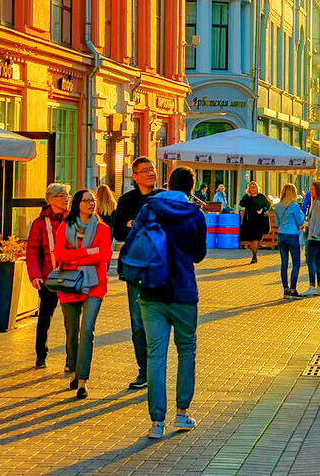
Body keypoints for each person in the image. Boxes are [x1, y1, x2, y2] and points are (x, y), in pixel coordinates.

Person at [128, 166, 206, 439]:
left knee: (155, 354)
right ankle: (182, 414)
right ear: (191, 188)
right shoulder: (195, 215)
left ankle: (156, 423)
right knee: (186, 351)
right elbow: (199, 255)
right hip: (183, 291)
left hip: (151, 290)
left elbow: (134, 241)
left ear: (168, 183)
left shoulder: (149, 209)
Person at [54, 188, 112, 400]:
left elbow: (105, 255)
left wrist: (74, 258)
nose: (91, 204)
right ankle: (75, 369)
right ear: (77, 204)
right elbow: (59, 255)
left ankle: (82, 381)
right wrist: (89, 252)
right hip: (68, 284)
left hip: (94, 285)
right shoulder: (65, 227)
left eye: (93, 200)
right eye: (87, 200)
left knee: (87, 329)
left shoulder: (103, 229)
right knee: (72, 332)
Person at [114, 157, 160, 390]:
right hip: (135, 269)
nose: (151, 173)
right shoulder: (126, 200)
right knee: (138, 322)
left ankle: (156, 367)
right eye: (145, 170)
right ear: (135, 176)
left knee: (159, 321)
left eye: (152, 169)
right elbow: (119, 230)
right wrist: (132, 224)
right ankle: (144, 370)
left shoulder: (163, 197)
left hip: (161, 268)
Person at [26, 183, 68, 369]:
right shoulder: (39, 223)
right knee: (45, 317)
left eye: (67, 195)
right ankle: (41, 355)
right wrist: (35, 275)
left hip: (71, 276)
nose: (66, 199)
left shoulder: (73, 220)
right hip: (48, 277)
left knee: (72, 319)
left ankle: (71, 358)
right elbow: (32, 251)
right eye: (62, 196)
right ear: (50, 200)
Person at [273, 184, 304, 298]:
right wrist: (303, 214)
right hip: (292, 235)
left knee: (284, 263)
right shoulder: (294, 206)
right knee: (296, 263)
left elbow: (277, 223)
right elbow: (300, 222)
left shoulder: (278, 206)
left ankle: (285, 289)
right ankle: (293, 289)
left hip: (281, 235)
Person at [303, 180, 320, 296]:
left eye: (312, 189)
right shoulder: (319, 202)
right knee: (317, 261)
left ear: (317, 190)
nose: (311, 191)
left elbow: (319, 221)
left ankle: (313, 285)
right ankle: (319, 286)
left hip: (315, 237)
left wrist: (312, 234)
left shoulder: (319, 203)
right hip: (316, 236)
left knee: (311, 260)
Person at [238, 182, 271, 265]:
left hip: (259, 221)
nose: (252, 189)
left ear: (257, 188)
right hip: (249, 221)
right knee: (252, 240)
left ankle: (254, 256)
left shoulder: (261, 196)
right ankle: (254, 255)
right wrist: (247, 196)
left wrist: (262, 210)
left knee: (256, 239)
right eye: (250, 187)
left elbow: (267, 205)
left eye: (254, 187)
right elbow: (241, 204)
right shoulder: (247, 197)